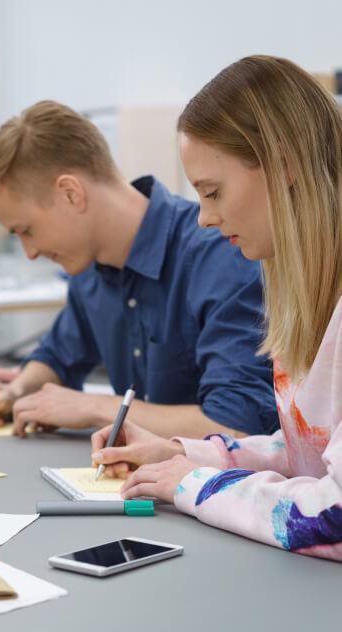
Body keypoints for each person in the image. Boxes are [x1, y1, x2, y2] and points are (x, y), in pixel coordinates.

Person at [92, 55, 342, 559]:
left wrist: (195, 485)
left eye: (213, 191)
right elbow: (312, 457)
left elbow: (333, 516)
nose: (204, 217)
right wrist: (189, 454)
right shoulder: (305, 296)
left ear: (284, 163)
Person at [0, 100, 277, 439]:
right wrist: (12, 394)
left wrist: (94, 407)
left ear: (70, 194)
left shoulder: (220, 254)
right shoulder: (89, 270)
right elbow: (58, 358)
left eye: (27, 230)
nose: (31, 252)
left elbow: (237, 426)